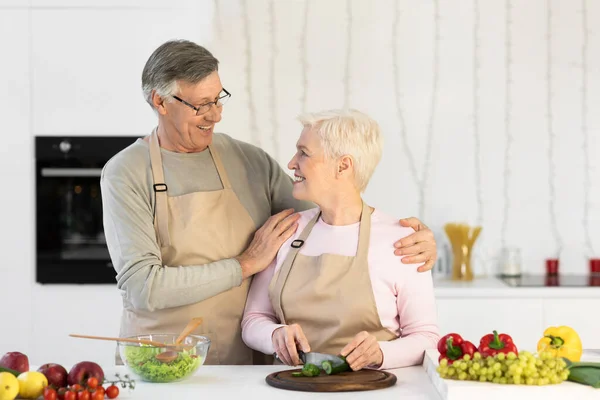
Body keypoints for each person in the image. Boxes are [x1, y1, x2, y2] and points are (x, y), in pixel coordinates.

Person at [100, 39, 438, 366]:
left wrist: (410, 238)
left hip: (243, 361)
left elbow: (331, 212)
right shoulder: (126, 173)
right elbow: (144, 287)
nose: (215, 116)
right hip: (162, 359)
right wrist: (245, 265)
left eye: (219, 99)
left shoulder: (249, 161)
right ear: (160, 102)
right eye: (201, 105)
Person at [241, 109, 440, 370]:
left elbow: (427, 337)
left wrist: (381, 353)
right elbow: (253, 319)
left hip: (374, 389)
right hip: (292, 387)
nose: (291, 163)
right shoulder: (287, 231)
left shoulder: (401, 241)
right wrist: (274, 335)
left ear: (343, 165)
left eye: (304, 153)